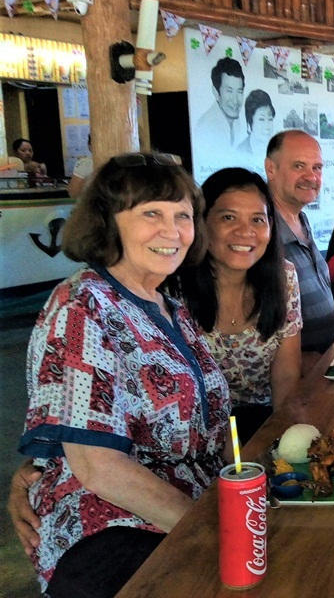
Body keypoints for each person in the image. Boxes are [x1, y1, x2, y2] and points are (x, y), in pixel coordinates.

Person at [11, 153, 230, 597]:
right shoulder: (81, 304)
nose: (172, 231)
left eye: (182, 215)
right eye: (151, 213)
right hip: (111, 522)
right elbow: (98, 466)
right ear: (108, 221)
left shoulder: (167, 302)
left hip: (190, 502)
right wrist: (209, 532)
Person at [169, 167, 301, 444]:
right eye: (229, 217)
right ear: (202, 222)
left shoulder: (283, 276)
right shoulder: (172, 288)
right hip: (194, 434)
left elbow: (286, 375)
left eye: (258, 219)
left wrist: (282, 441)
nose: (246, 232)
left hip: (262, 420)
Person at [263, 130, 334, 357]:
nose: (311, 177)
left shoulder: (301, 218)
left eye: (317, 168)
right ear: (271, 169)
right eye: (299, 166)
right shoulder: (262, 228)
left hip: (324, 365)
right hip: (295, 374)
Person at [196, 57, 246, 146]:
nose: (235, 101)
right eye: (229, 91)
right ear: (216, 92)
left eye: (239, 91)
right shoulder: (206, 126)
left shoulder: (236, 121)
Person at [237, 89, 275, 156]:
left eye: (270, 119)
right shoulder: (240, 152)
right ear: (250, 122)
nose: (267, 126)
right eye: (261, 119)